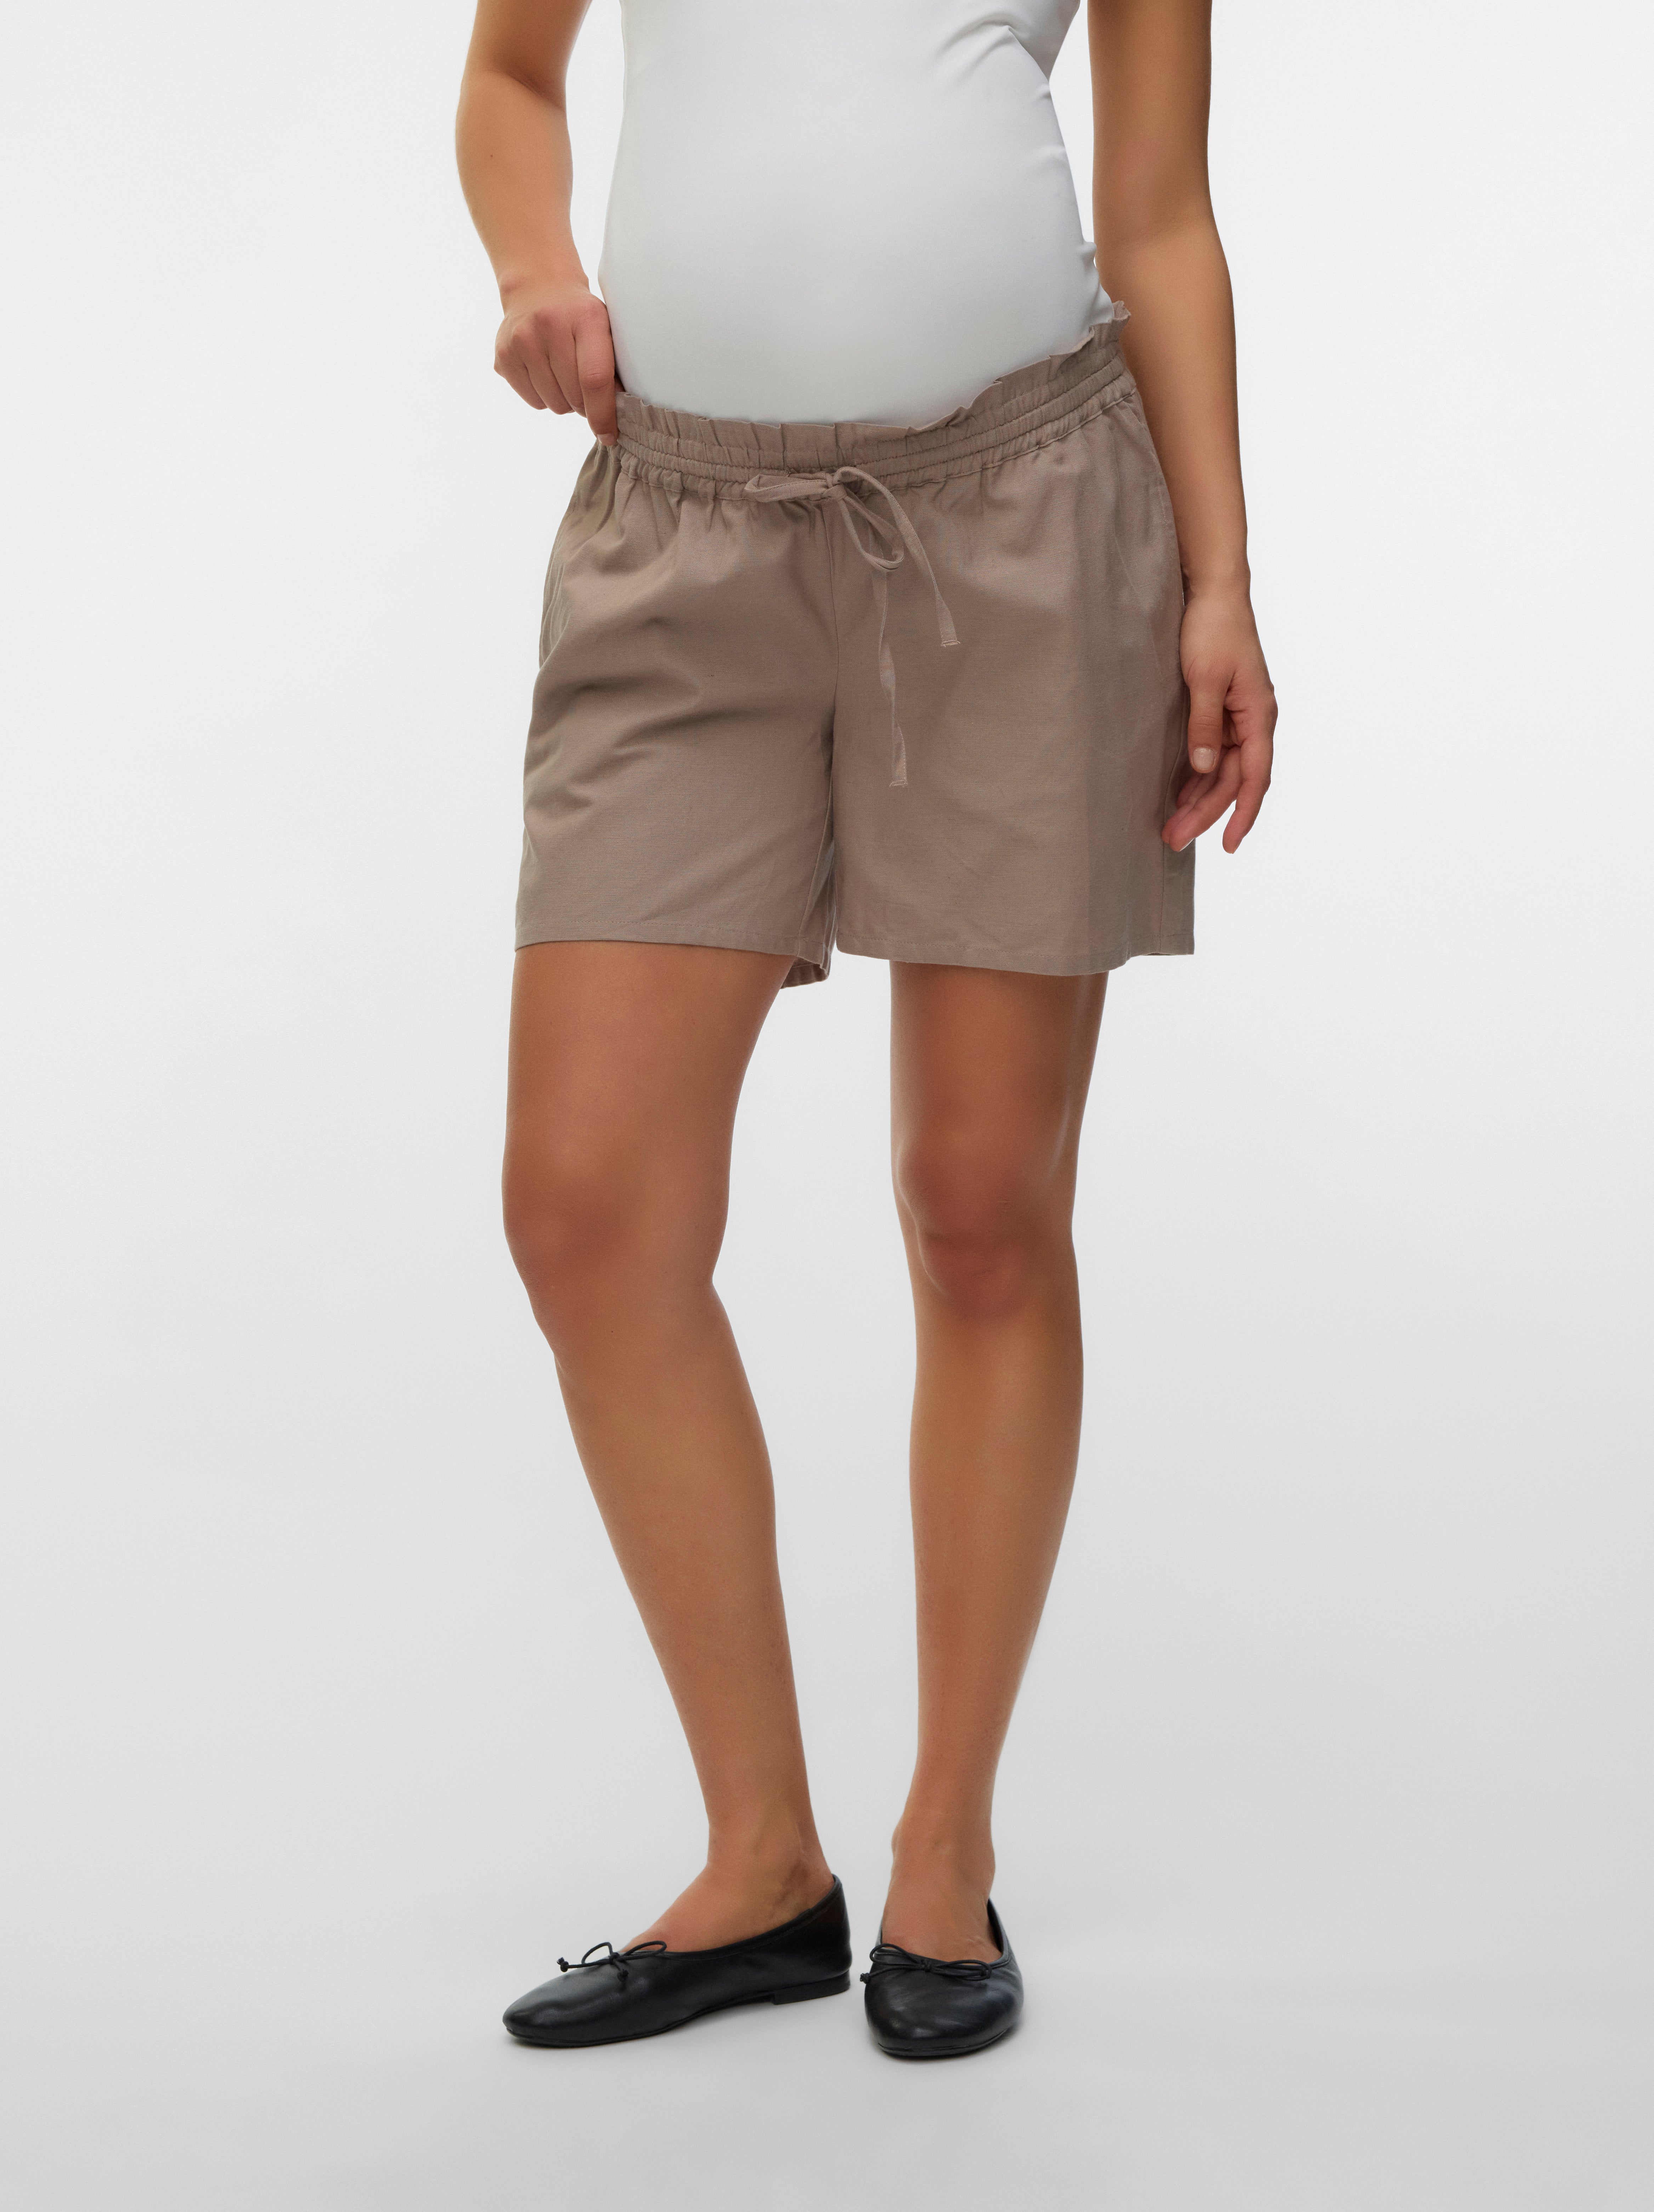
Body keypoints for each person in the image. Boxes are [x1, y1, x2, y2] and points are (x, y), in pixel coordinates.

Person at [455, 0, 1275, 2059]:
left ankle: (941, 1855)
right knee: (586, 1215)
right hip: (680, 535)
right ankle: (761, 1868)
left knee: (981, 1208)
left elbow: (1159, 220)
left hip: (1028, 512)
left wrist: (1222, 582)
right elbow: (511, 75)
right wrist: (535, 265)